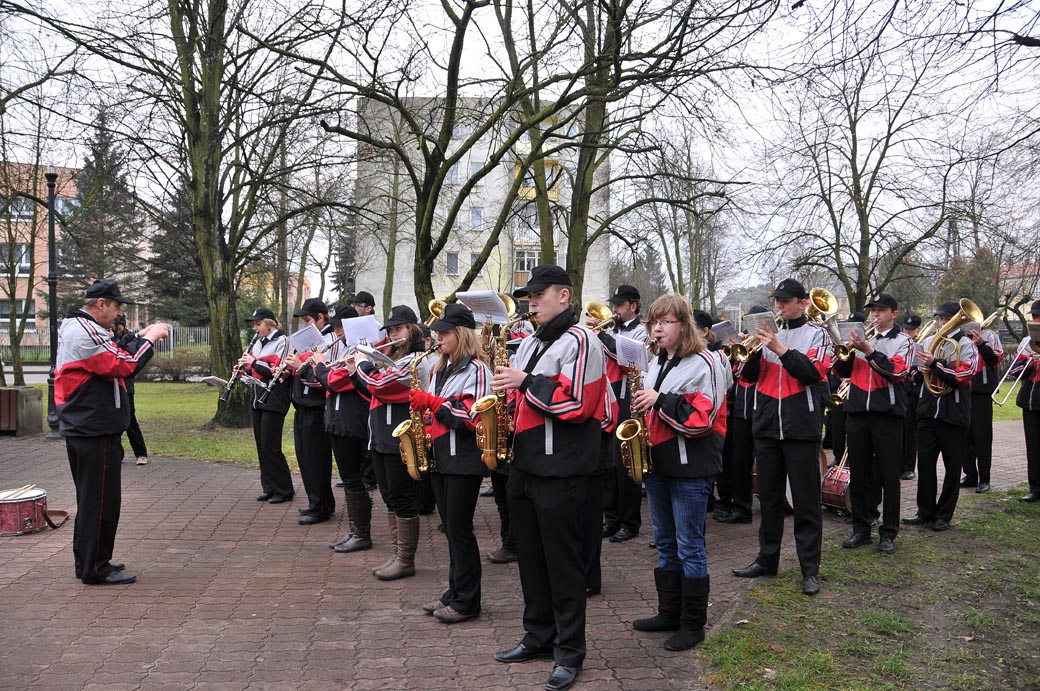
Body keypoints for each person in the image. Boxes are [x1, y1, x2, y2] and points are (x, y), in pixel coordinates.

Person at [491, 264, 607, 691]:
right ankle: (538, 635)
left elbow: (579, 404)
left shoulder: (583, 340)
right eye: (529, 296)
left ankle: (570, 651)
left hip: (562, 469)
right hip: (526, 464)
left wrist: (524, 383)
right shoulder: (530, 342)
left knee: (563, 565)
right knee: (532, 561)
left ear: (564, 295)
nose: (531, 302)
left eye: (539, 294)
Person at [631, 294, 731, 651]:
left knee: (690, 546)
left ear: (684, 325)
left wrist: (658, 399)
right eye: (653, 322)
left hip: (692, 466)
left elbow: (700, 420)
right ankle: (669, 613)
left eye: (665, 322)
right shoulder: (657, 360)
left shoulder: (705, 362)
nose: (657, 328)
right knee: (666, 543)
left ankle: (693, 624)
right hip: (660, 462)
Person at [55, 279, 169, 585]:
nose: (119, 313)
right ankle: (94, 568)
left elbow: (114, 350)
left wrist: (138, 336)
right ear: (101, 303)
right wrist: (152, 339)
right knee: (100, 502)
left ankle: (93, 560)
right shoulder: (84, 331)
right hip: (93, 427)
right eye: (117, 306)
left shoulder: (82, 327)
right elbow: (123, 364)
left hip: (89, 425)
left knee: (96, 500)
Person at [733, 278, 831, 596]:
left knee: (805, 502)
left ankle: (809, 570)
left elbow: (812, 373)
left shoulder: (818, 335)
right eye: (777, 301)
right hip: (766, 427)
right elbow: (747, 378)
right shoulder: (766, 337)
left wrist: (781, 349)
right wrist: (752, 354)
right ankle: (767, 559)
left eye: (785, 302)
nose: (779, 307)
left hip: (801, 428)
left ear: (803, 303)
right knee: (771, 499)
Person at [410, 303, 492, 623]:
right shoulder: (439, 369)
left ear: (461, 334)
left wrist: (433, 403)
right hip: (442, 456)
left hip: (464, 459)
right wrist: (426, 421)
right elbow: (439, 413)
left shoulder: (478, 370)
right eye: (437, 333)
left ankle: (467, 601)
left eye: (445, 333)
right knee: (451, 530)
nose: (438, 338)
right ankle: (454, 592)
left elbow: (472, 418)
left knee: (460, 530)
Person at [350, 305, 435, 580]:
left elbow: (382, 386)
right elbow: (375, 388)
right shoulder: (393, 357)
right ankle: (398, 554)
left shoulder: (417, 359)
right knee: (388, 496)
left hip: (400, 435)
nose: (393, 334)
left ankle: (406, 559)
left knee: (401, 496)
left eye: (398, 329)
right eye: (390, 330)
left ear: (412, 329)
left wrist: (360, 366)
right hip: (381, 436)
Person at [832, 294, 914, 555]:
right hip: (857, 412)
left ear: (894, 313)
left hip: (886, 414)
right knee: (859, 474)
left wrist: (868, 351)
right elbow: (841, 372)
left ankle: (888, 532)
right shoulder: (864, 340)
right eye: (873, 310)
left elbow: (896, 372)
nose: (875, 314)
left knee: (889, 476)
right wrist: (846, 353)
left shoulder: (904, 342)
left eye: (881, 310)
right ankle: (861, 528)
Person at [903, 300, 979, 531]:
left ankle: (944, 514)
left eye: (947, 319)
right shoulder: (928, 341)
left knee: (952, 467)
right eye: (942, 318)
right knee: (925, 463)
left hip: (953, 414)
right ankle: (924, 511)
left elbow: (963, 375)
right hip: (928, 411)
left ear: (959, 319)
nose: (943, 322)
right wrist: (919, 371)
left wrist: (936, 364)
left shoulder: (967, 345)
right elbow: (915, 373)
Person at [313, 305, 374, 552]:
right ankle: (356, 530)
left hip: (352, 420)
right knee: (349, 479)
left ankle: (362, 533)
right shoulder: (348, 349)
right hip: (339, 419)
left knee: (353, 478)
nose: (336, 332)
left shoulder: (361, 350)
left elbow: (335, 381)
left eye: (340, 327)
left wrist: (319, 366)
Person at [595, 284, 647, 544]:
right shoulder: (613, 331)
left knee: (625, 463)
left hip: (628, 399)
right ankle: (611, 518)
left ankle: (629, 521)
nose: (614, 309)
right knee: (607, 463)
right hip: (608, 398)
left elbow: (629, 360)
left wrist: (603, 336)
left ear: (633, 306)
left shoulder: (642, 332)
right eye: (613, 305)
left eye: (619, 305)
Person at [283, 298, 336, 525]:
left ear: (321, 318)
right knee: (305, 458)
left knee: (316, 459)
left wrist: (300, 368)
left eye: (308, 320)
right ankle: (317, 500)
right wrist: (289, 370)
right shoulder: (309, 340)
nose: (305, 326)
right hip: (302, 407)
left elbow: (324, 377)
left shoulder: (329, 340)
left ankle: (321, 506)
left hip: (317, 408)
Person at [716, 305, 770, 524]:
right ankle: (742, 508)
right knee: (739, 461)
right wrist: (733, 355)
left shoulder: (770, 344)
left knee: (766, 463)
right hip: (741, 409)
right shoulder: (743, 341)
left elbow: (756, 374)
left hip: (763, 409)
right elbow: (737, 375)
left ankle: (770, 507)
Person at [239, 308, 295, 504]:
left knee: (271, 446)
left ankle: (284, 489)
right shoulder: (256, 343)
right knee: (261, 446)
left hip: (275, 397)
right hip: (258, 396)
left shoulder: (283, 341)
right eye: (254, 324)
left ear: (270, 323)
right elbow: (254, 370)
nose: (255, 328)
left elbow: (277, 370)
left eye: (258, 323)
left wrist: (254, 362)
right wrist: (243, 371)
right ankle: (269, 487)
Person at [963, 315, 1004, 493]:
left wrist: (980, 344)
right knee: (965, 437)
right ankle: (970, 475)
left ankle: (984, 479)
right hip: (964, 389)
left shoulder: (990, 335)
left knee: (982, 437)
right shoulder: (960, 336)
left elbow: (995, 359)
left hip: (982, 392)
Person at [1007, 299, 1040, 503]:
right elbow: (1014, 371)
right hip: (1031, 398)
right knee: (1033, 446)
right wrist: (1029, 362)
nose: (1036, 321)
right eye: (1034, 317)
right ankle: (1035, 487)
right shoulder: (1027, 342)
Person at [112, 315, 149, 466]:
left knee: (130, 420)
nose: (114, 328)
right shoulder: (109, 338)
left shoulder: (130, 338)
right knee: (114, 422)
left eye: (117, 325)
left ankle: (141, 453)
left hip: (127, 387)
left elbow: (126, 355)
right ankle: (117, 454)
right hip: (114, 387)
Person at [900, 314, 923, 480]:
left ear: (918, 330)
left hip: (913, 393)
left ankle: (909, 467)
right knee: (898, 431)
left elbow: (923, 373)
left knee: (909, 431)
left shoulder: (920, 346)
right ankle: (898, 464)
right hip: (899, 392)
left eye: (911, 330)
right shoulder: (900, 344)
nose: (908, 332)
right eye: (906, 329)